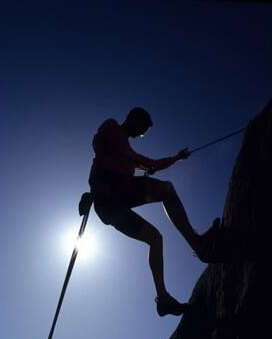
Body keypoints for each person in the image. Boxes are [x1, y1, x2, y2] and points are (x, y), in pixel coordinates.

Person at [88, 107, 219, 317]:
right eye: (142, 129)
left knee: (155, 238)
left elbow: (150, 163)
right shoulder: (112, 129)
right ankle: (199, 245)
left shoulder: (127, 152)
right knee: (166, 189)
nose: (141, 134)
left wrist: (175, 158)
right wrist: (95, 187)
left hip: (111, 203)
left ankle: (163, 299)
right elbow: (99, 149)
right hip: (109, 194)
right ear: (133, 119)